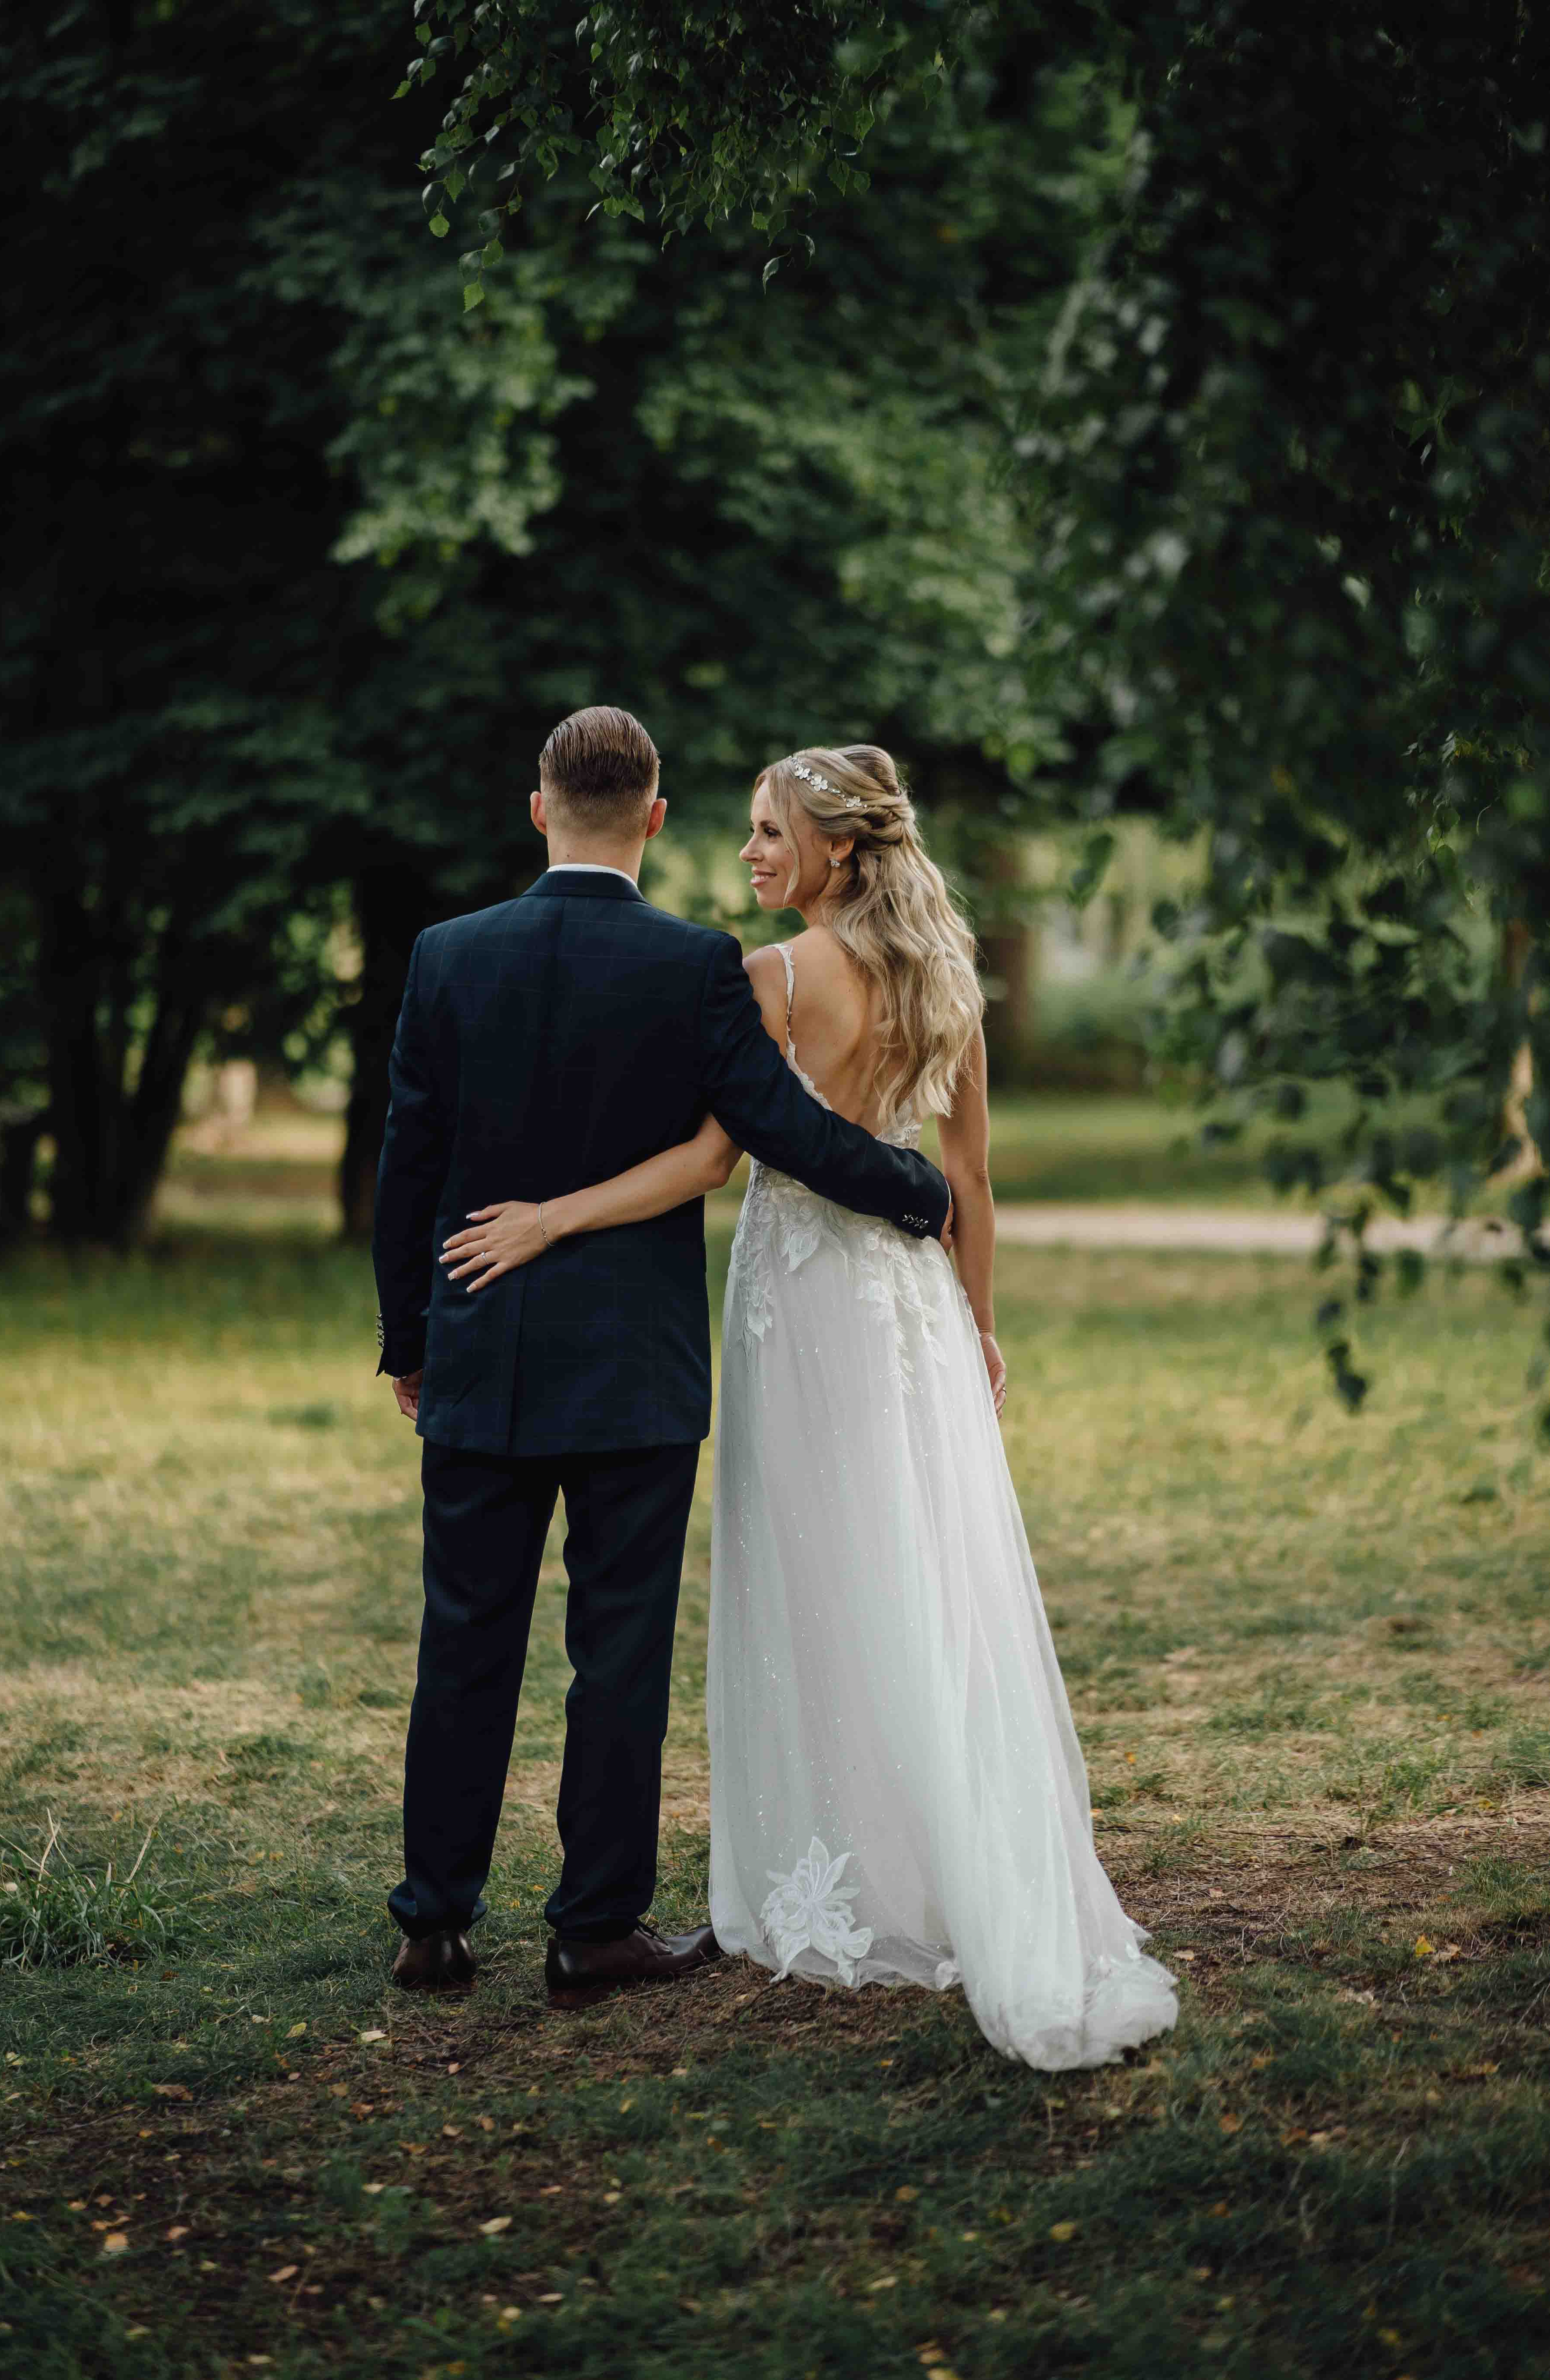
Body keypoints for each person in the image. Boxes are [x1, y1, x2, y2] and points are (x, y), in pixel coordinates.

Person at [445, 743, 1178, 2067]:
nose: (751, 852)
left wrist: (551, 1217)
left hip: (797, 1306)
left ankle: (833, 1860)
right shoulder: (948, 976)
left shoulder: (772, 977)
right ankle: (927, 1856)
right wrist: (979, 1323)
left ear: (837, 847)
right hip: (912, 1309)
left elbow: (711, 1161)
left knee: (813, 1572)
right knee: (917, 1567)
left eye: (772, 831)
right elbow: (969, 1180)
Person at [372, 708, 951, 2002]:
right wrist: (918, 1192)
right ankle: (592, 1931)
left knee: (464, 1637)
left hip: (480, 1350)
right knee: (618, 1650)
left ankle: (434, 1924)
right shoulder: (692, 963)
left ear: (539, 809)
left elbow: (407, 1162)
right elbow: (776, 1131)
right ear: (655, 816)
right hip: (632, 1372)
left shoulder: (446, 956)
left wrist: (410, 1340)